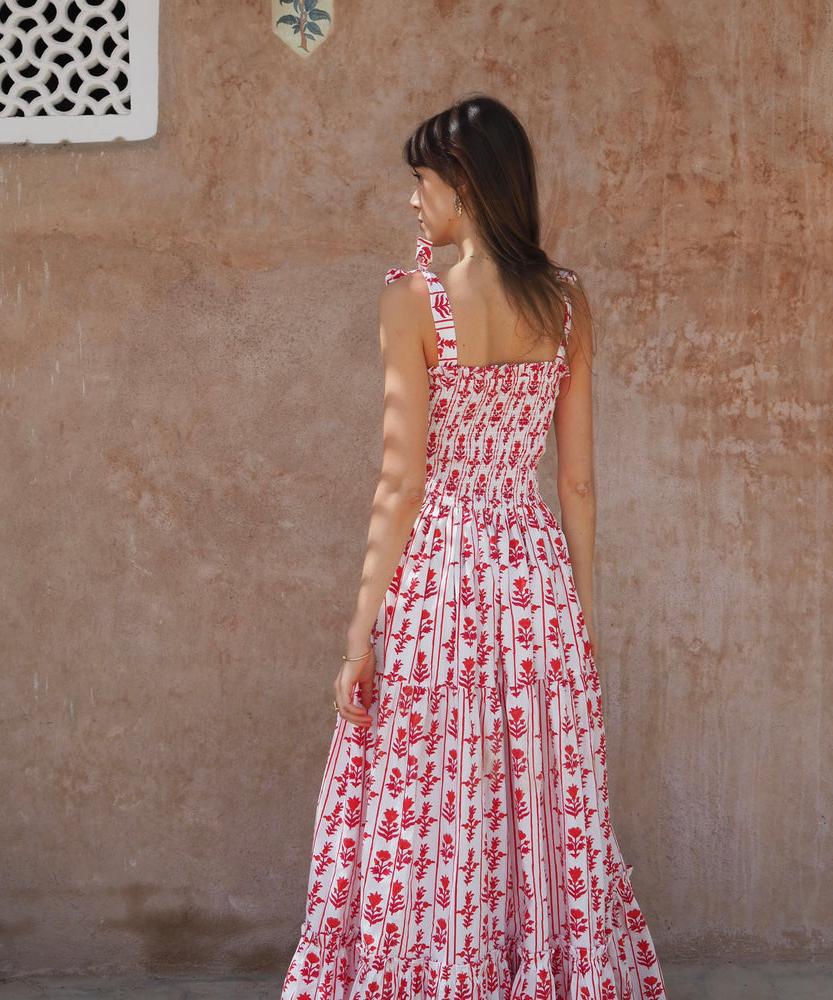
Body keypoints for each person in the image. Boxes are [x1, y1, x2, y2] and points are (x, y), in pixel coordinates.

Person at [282, 97, 665, 1000]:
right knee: (528, 791)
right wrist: (582, 615)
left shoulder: (413, 301)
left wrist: (358, 637)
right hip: (534, 577)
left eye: (422, 179)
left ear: (465, 183)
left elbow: (400, 482)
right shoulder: (566, 301)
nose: (413, 198)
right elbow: (577, 483)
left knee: (432, 790)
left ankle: (431, 971)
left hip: (441, 576)